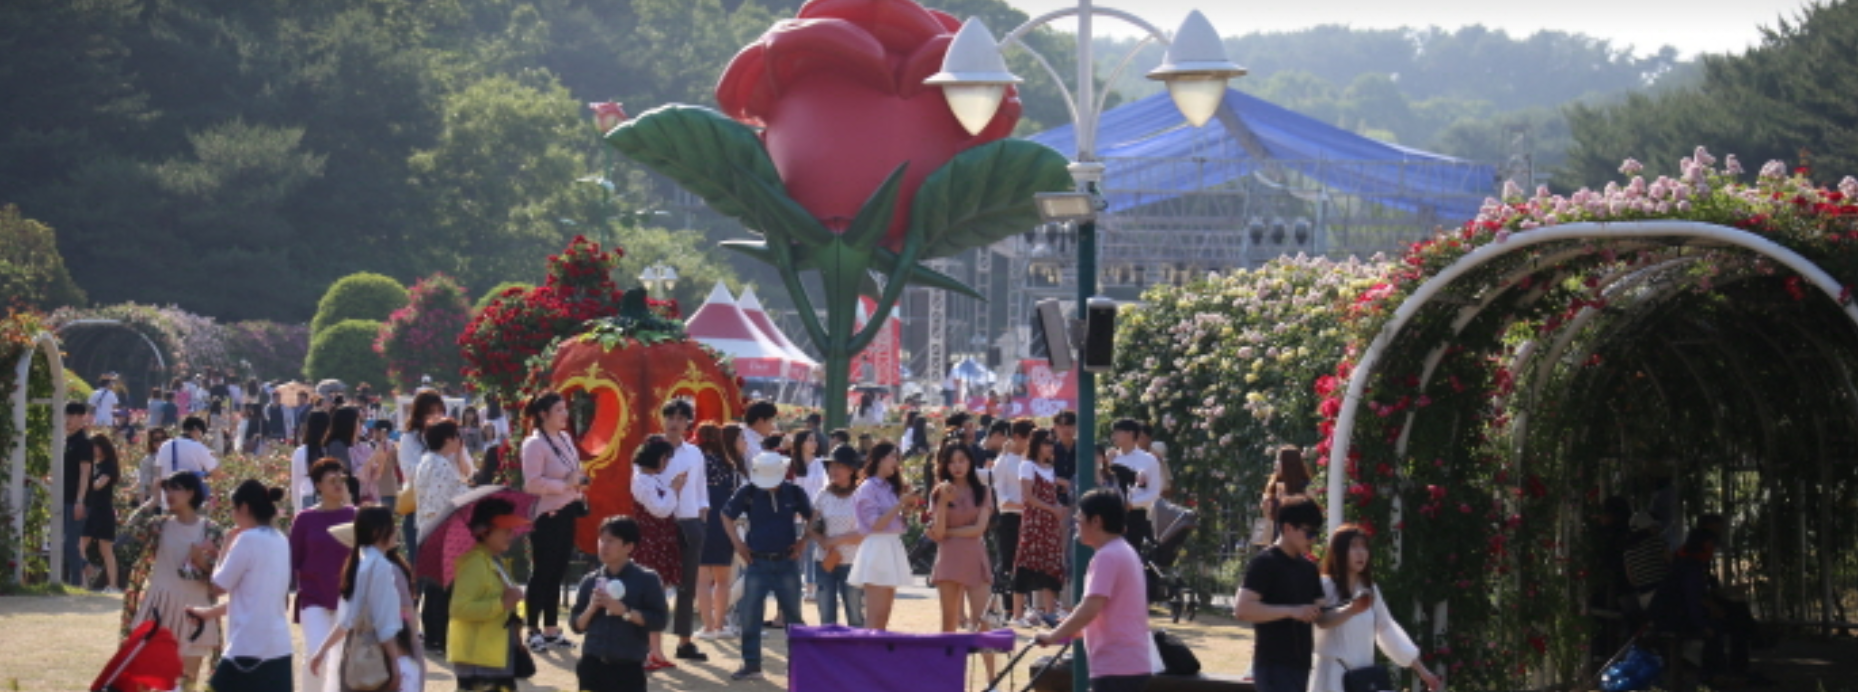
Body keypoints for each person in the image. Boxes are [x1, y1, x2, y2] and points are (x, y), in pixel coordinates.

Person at [1034, 488, 1152, 692]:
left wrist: (1052, 636)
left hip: (1116, 667)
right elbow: (1105, 614)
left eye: (1079, 518)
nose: (1076, 524)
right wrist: (1068, 629)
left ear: (1096, 521)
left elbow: (1090, 609)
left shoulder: (1106, 557)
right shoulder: (1125, 551)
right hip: (1131, 664)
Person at [120, 471, 223, 691]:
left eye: (175, 488)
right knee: (145, 678)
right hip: (159, 606)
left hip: (196, 610)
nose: (169, 493)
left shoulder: (211, 529)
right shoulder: (160, 524)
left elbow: (221, 576)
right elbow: (129, 531)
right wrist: (153, 500)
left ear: (190, 493)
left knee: (187, 680)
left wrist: (201, 561)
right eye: (166, 488)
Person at [187, 481, 293, 692]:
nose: (233, 515)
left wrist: (226, 544)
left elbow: (218, 585)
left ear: (244, 508)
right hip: (279, 648)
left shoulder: (246, 539)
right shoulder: (281, 539)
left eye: (234, 509)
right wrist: (209, 613)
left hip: (247, 648)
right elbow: (256, 597)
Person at [720, 451, 815, 681]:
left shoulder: (794, 491)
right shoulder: (749, 491)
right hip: (758, 560)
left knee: (793, 615)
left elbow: (812, 516)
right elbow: (725, 515)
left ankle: (798, 664)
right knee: (750, 613)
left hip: (786, 560)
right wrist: (738, 544)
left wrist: (803, 541)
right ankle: (752, 664)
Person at [1312, 524, 1441, 692]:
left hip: (1362, 679)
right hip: (1331, 676)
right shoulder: (1325, 584)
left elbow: (1386, 628)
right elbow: (1320, 620)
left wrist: (1424, 673)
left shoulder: (1370, 589)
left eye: (1364, 547)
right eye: (1353, 546)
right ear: (1339, 551)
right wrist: (1352, 609)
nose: (1361, 553)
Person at [309, 506, 423, 692]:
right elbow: (384, 624)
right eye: (391, 526)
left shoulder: (362, 564)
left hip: (360, 657)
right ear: (378, 531)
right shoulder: (381, 566)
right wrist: (394, 664)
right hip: (382, 658)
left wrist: (322, 651)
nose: (395, 531)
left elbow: (347, 620)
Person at [1234, 495, 1326, 692]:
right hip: (1274, 666)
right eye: (1309, 533)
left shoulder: (1309, 568)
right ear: (1287, 528)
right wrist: (1292, 611)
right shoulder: (1265, 562)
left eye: (1316, 533)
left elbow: (1323, 612)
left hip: (1301, 666)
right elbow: (1242, 609)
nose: (1314, 539)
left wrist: (1353, 607)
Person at [520, 391, 588, 652]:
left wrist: (578, 482)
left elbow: (572, 470)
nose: (564, 415)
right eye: (559, 410)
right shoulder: (534, 444)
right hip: (546, 516)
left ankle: (551, 628)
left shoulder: (566, 438)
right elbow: (531, 483)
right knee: (542, 572)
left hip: (568, 510)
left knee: (559, 570)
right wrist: (564, 484)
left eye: (565, 409)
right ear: (543, 414)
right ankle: (533, 629)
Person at [571, 515, 671, 692]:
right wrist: (591, 608)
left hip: (627, 669)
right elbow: (576, 626)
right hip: (591, 665)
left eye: (610, 541)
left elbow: (659, 620)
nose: (603, 546)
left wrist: (625, 612)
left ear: (629, 546)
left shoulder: (647, 579)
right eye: (601, 540)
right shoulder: (590, 580)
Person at [449, 496, 532, 692]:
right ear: (485, 531)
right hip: (479, 663)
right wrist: (502, 603)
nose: (511, 534)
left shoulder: (494, 561)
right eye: (505, 529)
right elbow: (459, 609)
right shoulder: (474, 564)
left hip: (495, 656)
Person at [930, 441, 997, 681]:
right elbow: (937, 532)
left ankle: (992, 680)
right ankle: (947, 679)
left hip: (974, 557)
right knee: (948, 622)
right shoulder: (939, 491)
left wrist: (950, 532)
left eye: (962, 460)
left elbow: (979, 529)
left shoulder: (983, 491)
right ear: (945, 465)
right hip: (948, 558)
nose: (957, 466)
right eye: (952, 461)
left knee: (983, 622)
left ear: (970, 462)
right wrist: (943, 503)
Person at [292, 459, 359, 692]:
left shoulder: (356, 516)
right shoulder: (304, 519)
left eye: (342, 479)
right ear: (318, 485)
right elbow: (293, 558)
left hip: (348, 597)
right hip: (313, 596)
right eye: (332, 480)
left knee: (341, 657)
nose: (338, 484)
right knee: (315, 652)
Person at [657, 400, 710, 663]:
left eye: (680, 417)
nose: (674, 422)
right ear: (663, 419)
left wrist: (702, 513)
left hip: (690, 520)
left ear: (689, 422)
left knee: (687, 585)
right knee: (656, 584)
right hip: (660, 522)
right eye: (670, 416)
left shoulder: (695, 453)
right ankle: (651, 646)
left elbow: (701, 488)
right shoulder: (652, 449)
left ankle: (684, 641)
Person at [848, 441, 920, 631]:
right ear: (880, 459)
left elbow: (895, 523)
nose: (896, 462)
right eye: (893, 457)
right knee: (875, 615)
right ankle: (867, 658)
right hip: (877, 548)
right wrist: (900, 504)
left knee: (884, 615)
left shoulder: (889, 487)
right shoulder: (868, 488)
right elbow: (876, 524)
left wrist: (907, 509)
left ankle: (875, 657)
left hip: (891, 545)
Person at [416, 418, 473, 655]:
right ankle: (437, 637)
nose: (460, 441)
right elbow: (440, 504)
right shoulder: (439, 465)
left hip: (430, 531)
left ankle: (435, 636)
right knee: (440, 589)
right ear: (448, 439)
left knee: (437, 587)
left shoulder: (429, 461)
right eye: (457, 436)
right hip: (440, 531)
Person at [629, 434, 685, 671]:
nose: (667, 463)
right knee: (649, 600)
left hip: (658, 543)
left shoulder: (648, 477)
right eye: (666, 458)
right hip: (652, 544)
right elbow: (660, 509)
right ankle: (645, 652)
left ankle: (655, 651)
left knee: (656, 600)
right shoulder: (643, 480)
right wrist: (674, 489)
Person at [695, 423, 745, 640]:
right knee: (723, 579)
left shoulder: (696, 464)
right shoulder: (730, 466)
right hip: (725, 523)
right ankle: (719, 625)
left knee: (703, 579)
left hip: (701, 521)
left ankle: (706, 627)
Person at [1015, 428, 1068, 627]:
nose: (1050, 447)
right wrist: (1052, 509)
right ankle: (1017, 613)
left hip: (1050, 523)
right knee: (1026, 563)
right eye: (1046, 442)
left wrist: (1057, 509)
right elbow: (1028, 497)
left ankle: (1050, 612)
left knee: (1050, 565)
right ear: (1036, 444)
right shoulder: (1027, 465)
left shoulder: (1050, 468)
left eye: (1052, 443)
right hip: (1034, 522)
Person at [811, 444, 866, 627]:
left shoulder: (861, 496)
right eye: (831, 466)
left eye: (839, 466)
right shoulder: (823, 494)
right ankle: (829, 654)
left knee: (855, 614)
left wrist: (835, 540)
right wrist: (822, 541)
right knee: (826, 615)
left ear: (851, 470)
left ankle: (858, 653)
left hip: (852, 562)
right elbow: (810, 526)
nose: (833, 470)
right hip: (824, 560)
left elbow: (864, 532)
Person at [398, 390, 447, 571]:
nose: (435, 416)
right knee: (419, 566)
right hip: (417, 507)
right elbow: (410, 471)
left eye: (439, 411)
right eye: (430, 411)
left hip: (443, 508)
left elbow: (462, 470)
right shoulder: (409, 439)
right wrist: (435, 462)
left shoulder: (449, 437)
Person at [993, 419, 1031, 621]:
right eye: (1027, 438)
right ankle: (1007, 608)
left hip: (1029, 518)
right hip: (1010, 519)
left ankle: (1024, 607)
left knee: (1027, 563)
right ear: (1016, 437)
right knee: (1008, 562)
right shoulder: (1004, 461)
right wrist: (1025, 506)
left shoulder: (1030, 461)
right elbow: (1002, 498)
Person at [1108, 419, 1162, 555]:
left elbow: (1155, 491)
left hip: (1136, 515)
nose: (1113, 437)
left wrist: (1131, 504)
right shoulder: (1111, 458)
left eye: (1117, 432)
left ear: (1130, 434)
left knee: (1133, 554)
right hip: (1111, 514)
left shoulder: (1148, 460)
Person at [81, 433, 122, 592]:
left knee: (105, 548)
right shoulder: (95, 465)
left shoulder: (109, 465)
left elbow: (99, 484)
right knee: (80, 545)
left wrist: (82, 484)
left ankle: (113, 585)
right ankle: (84, 579)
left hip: (103, 510)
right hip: (90, 509)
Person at [790, 429, 827, 604]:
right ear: (801, 443)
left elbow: (824, 486)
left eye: (815, 440)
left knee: (812, 551)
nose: (814, 443)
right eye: (810, 440)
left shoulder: (819, 464)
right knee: (797, 551)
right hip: (795, 514)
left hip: (813, 513)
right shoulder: (792, 465)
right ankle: (795, 587)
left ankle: (810, 587)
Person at [62, 402, 94, 586]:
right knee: (64, 541)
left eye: (74, 415)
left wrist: (80, 500)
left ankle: (76, 582)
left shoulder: (84, 442)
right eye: (68, 415)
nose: (69, 419)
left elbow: (85, 472)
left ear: (82, 418)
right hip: (64, 496)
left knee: (71, 542)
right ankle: (86, 567)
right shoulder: (66, 440)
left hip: (77, 499)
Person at [292, 410, 334, 512]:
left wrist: (297, 512)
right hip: (328, 500)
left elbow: (295, 484)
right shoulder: (329, 451)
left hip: (307, 498)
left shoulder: (300, 452)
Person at [362, 420, 401, 511]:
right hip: (374, 490)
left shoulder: (392, 445)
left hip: (389, 489)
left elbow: (397, 463)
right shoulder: (368, 446)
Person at [138, 428, 171, 504]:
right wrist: (142, 506)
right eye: (156, 440)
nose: (161, 442)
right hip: (156, 501)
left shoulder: (175, 456)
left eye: (163, 438)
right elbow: (143, 485)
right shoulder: (148, 460)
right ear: (151, 442)